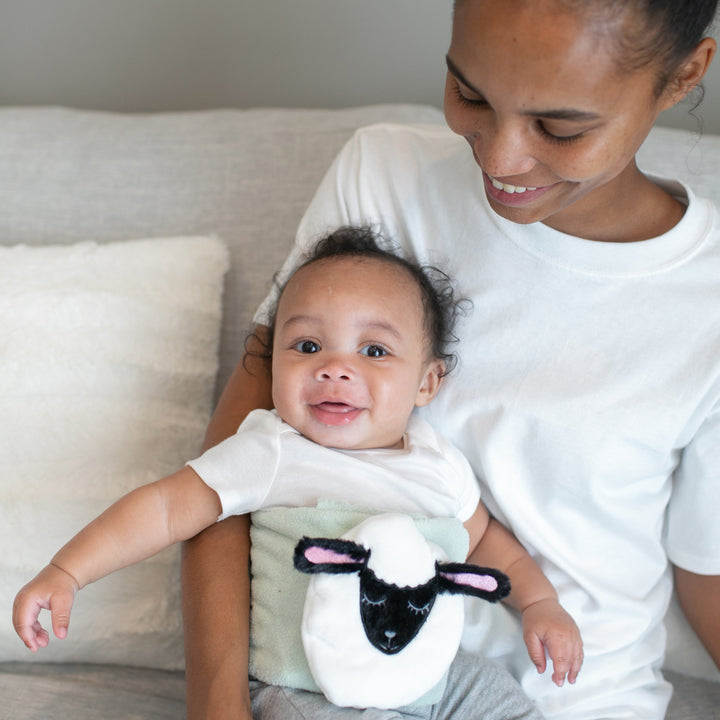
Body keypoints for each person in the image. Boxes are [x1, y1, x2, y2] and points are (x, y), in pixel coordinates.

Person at [180, 1, 720, 719]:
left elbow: (705, 571)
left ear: (685, 74)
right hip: (333, 692)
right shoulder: (383, 178)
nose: (499, 159)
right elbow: (224, 482)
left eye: (560, 128)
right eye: (469, 93)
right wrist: (218, 707)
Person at [13, 227, 583, 720]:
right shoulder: (272, 450)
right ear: (274, 364)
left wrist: (539, 605)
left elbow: (486, 541)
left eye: (375, 351)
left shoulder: (438, 464)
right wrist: (68, 571)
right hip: (303, 687)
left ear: (427, 383)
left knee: (499, 698)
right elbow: (166, 508)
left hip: (431, 682)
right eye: (308, 345)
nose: (335, 369)